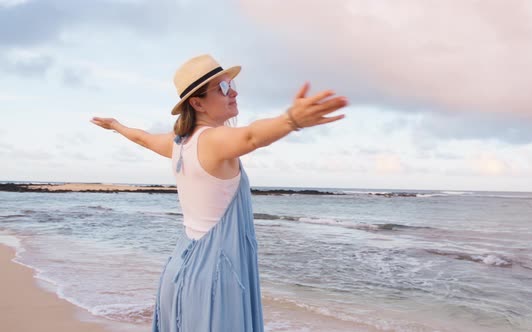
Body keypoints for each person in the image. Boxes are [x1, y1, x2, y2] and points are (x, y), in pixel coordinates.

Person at [91, 54, 347, 332]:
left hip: (179, 272)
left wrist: (115, 126)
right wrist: (291, 120)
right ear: (197, 103)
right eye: (222, 88)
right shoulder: (212, 139)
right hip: (214, 278)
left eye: (231, 83)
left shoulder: (178, 144)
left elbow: (143, 137)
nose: (234, 91)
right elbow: (251, 137)